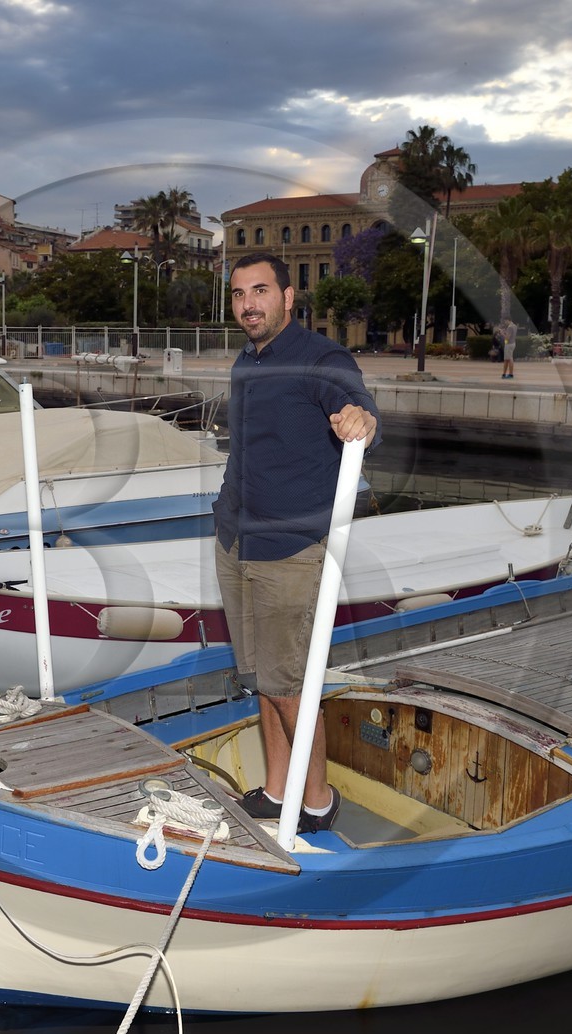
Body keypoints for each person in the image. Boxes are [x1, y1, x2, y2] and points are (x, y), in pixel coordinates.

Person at [216, 252, 378, 833]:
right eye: (238, 295)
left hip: (290, 549)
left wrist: (361, 420)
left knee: (288, 684)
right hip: (236, 538)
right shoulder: (245, 362)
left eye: (260, 291)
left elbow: (358, 406)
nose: (248, 304)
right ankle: (275, 789)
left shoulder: (321, 359)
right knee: (260, 677)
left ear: (288, 297)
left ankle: (316, 804)